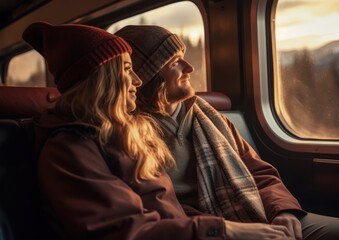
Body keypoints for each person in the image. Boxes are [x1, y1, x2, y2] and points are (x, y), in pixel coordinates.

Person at [24, 22, 292, 240]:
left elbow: (168, 209)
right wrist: (222, 229)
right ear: (103, 80)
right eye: (128, 70)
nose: (137, 81)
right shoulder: (71, 147)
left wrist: (284, 210)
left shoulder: (130, 130)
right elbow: (125, 229)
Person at [115, 25, 339, 240]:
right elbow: (152, 209)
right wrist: (224, 228)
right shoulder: (126, 133)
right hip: (196, 227)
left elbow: (259, 173)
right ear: (148, 77)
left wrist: (283, 211)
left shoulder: (209, 118)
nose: (189, 68)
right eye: (174, 62)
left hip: (249, 207)